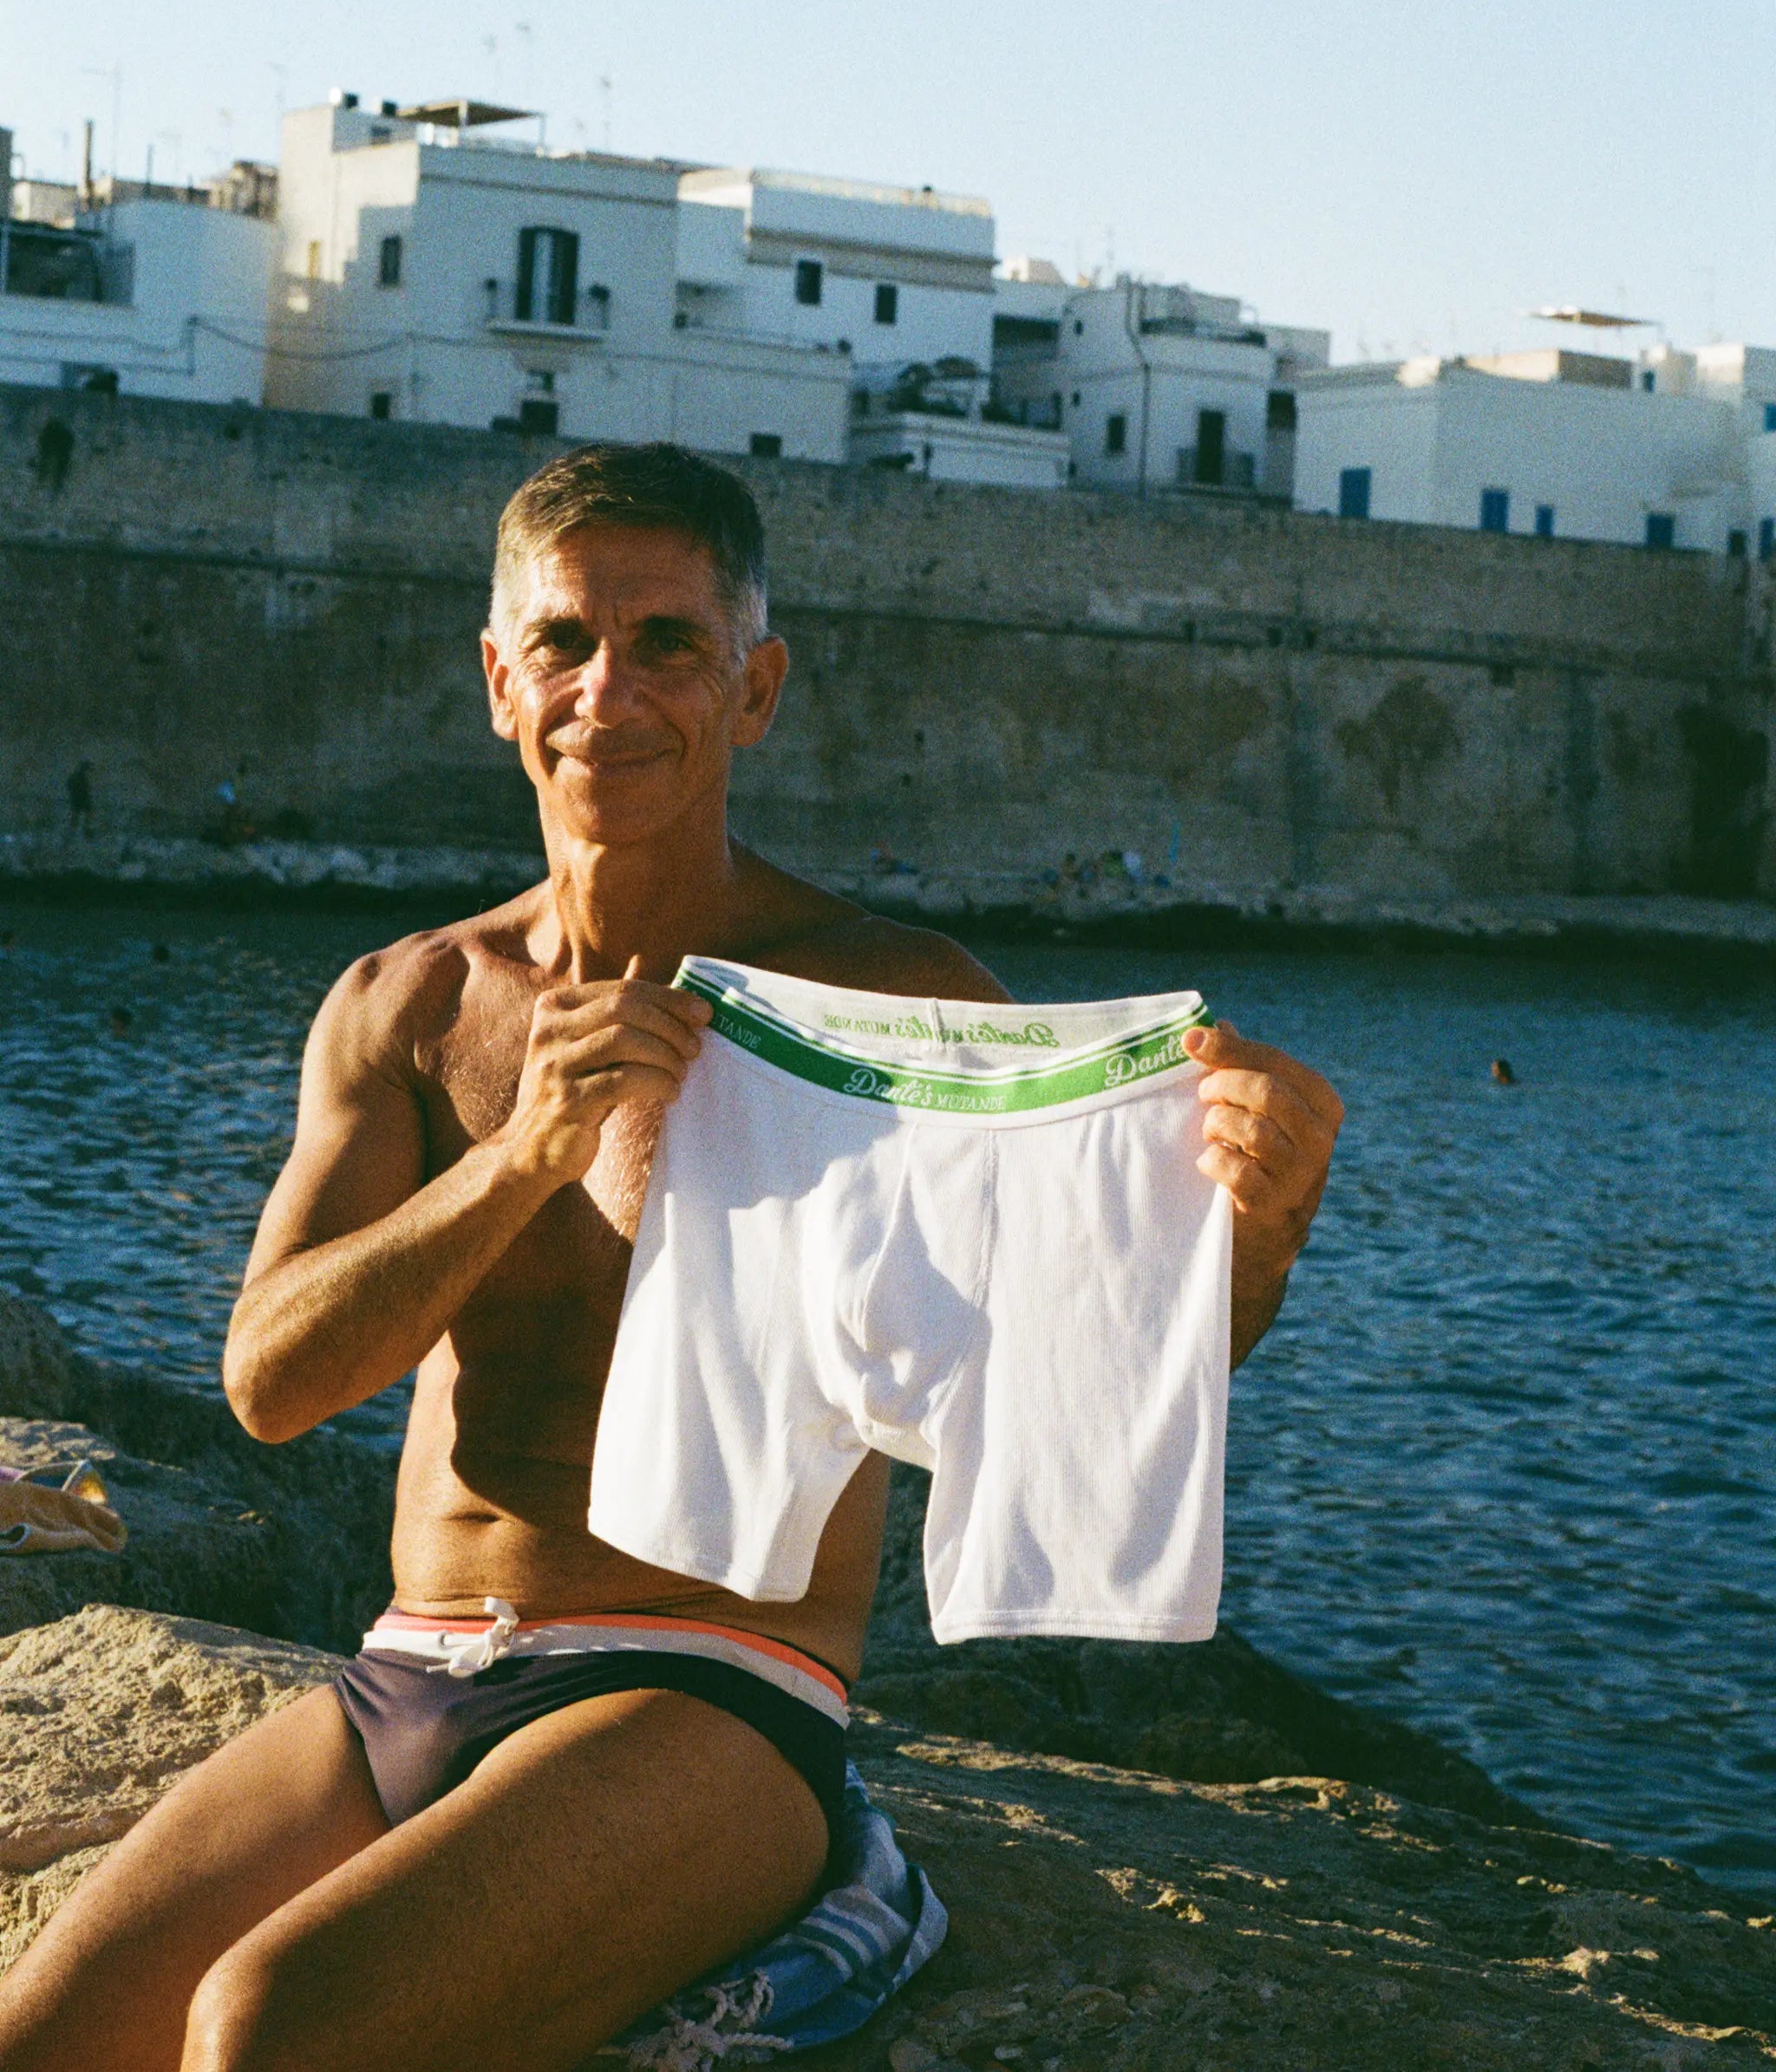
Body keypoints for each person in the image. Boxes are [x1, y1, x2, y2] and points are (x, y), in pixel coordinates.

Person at [0, 444, 1342, 2072]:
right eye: (564, 641)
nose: (607, 690)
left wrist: (1259, 1232)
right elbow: (272, 1382)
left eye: (668, 644)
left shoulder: (890, 1006)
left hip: (712, 1690)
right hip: (406, 1672)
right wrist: (520, 1155)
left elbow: (1081, 1379)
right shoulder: (410, 1001)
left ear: (754, 688)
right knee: (40, 2038)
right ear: (500, 680)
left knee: (266, 2027)